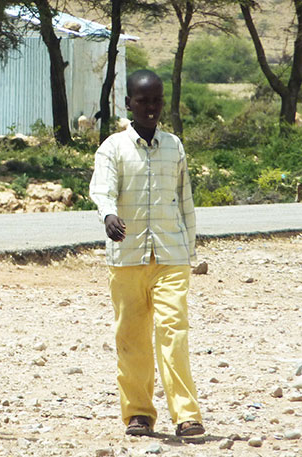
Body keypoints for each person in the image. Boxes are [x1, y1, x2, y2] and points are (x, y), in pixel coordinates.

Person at [88, 69, 204, 438]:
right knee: (132, 338)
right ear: (128, 104)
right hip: (128, 259)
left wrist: (189, 249)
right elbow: (102, 188)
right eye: (143, 101)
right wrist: (108, 214)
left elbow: (185, 201)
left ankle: (186, 415)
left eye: (156, 100)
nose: (150, 107)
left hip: (171, 255)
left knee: (174, 333)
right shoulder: (113, 148)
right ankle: (138, 413)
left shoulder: (174, 146)